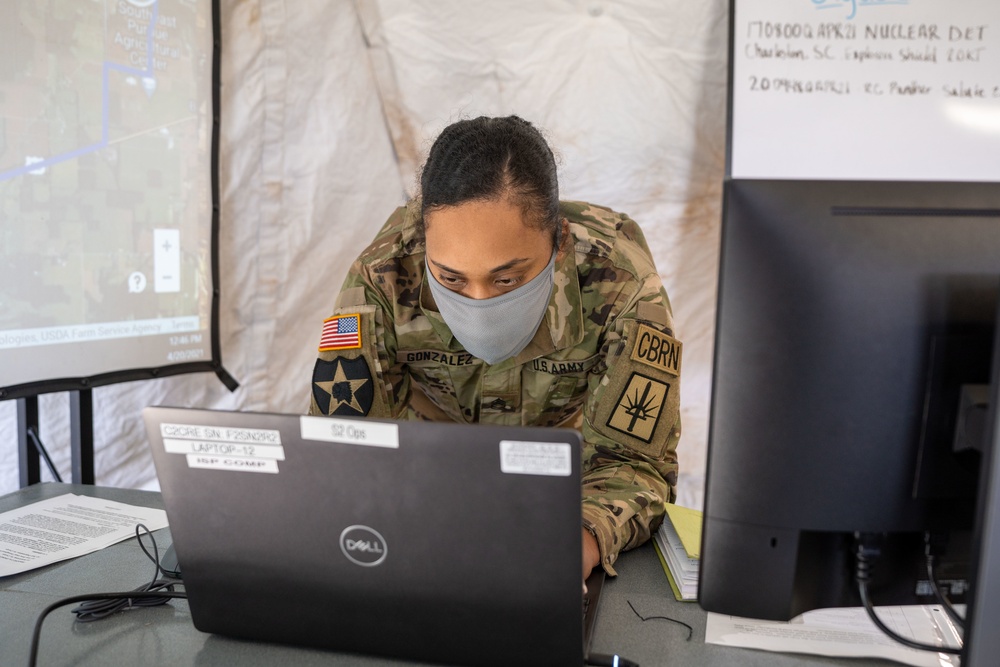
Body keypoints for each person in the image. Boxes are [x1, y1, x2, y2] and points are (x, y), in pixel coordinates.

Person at [309, 115, 680, 583]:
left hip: (568, 483)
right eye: (450, 278)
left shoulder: (623, 284)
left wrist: (581, 540)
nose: (480, 302)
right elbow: (339, 448)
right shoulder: (381, 275)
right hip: (428, 483)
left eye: (507, 279)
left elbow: (637, 463)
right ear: (424, 244)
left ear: (559, 243)